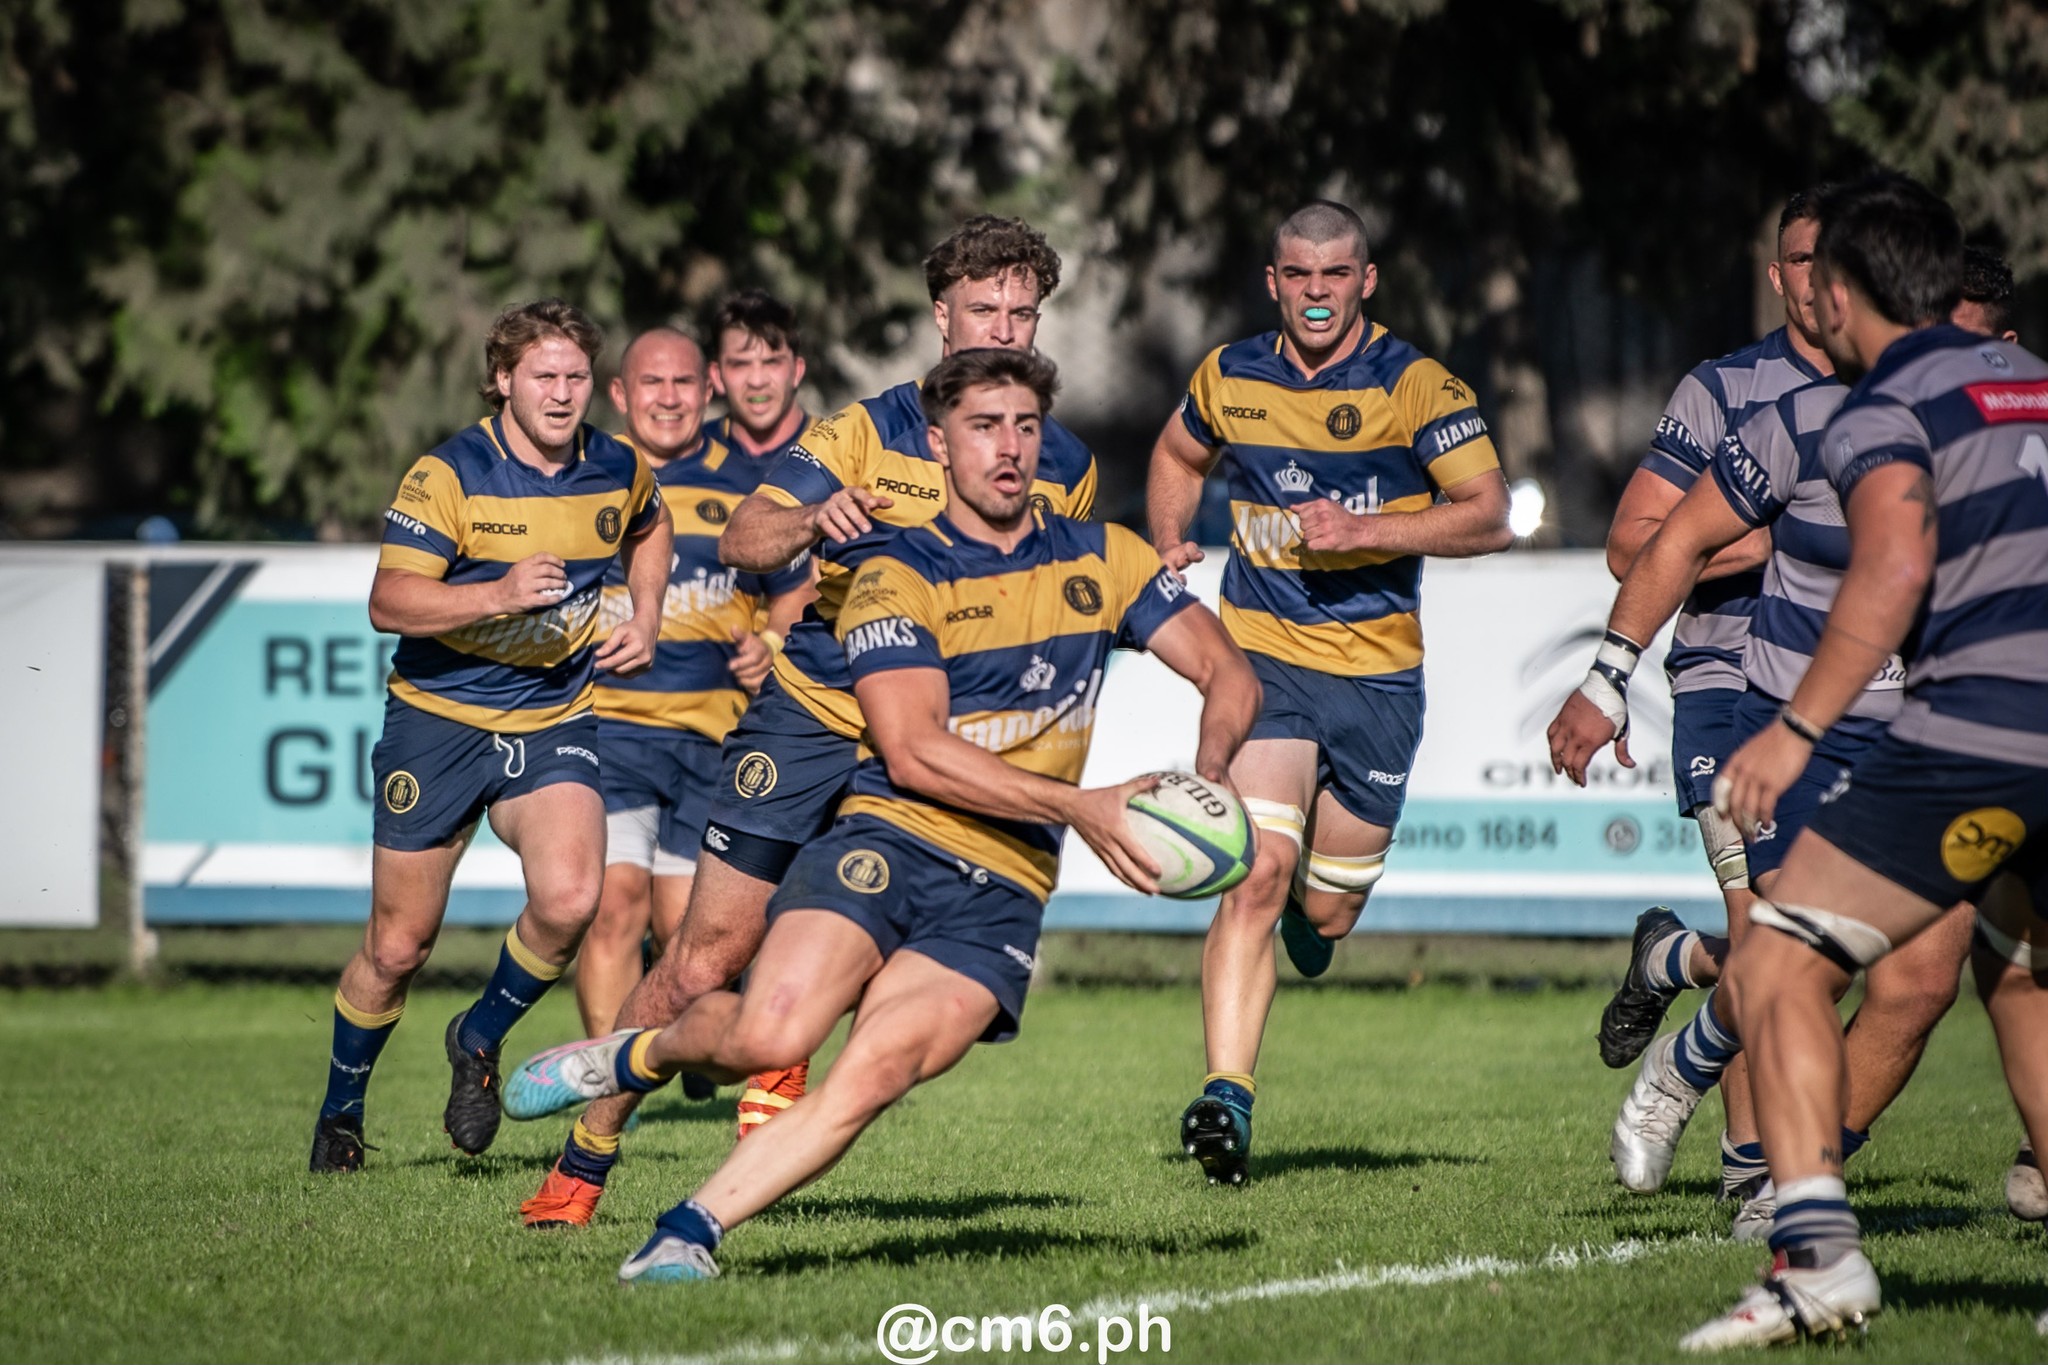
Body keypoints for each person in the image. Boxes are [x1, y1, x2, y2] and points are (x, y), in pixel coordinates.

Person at [504, 347, 1260, 1282]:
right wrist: (1087, 807)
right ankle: (634, 1054)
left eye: (1025, 426)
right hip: (892, 839)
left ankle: (688, 1232)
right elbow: (911, 750)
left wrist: (1212, 770)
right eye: (984, 427)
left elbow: (1227, 669)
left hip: (1005, 889)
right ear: (939, 447)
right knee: (769, 1036)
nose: (1009, 447)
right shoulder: (895, 572)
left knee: (872, 1073)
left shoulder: (1109, 556)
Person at [507, 215, 1098, 1227]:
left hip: (925, 740)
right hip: (815, 717)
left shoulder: (1058, 456)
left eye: (1019, 311)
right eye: (981, 308)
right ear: (939, 316)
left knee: (866, 956)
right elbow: (743, 535)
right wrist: (811, 521)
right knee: (699, 959)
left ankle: (773, 1089)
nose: (1001, 327)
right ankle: (586, 1153)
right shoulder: (866, 430)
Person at [1547, 257, 2022, 1234]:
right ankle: (1771, 1183)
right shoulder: (1800, 415)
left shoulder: (2013, 426)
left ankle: (1780, 1163)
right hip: (1778, 718)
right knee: (1797, 948)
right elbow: (1663, 542)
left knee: (1927, 977)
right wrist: (1605, 679)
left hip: (1945, 735)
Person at [1677, 173, 2048, 1349]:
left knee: (1780, 957)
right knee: (2023, 974)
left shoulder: (1881, 403)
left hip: (1980, 736)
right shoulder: (2035, 383)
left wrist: (1788, 732)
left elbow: (1885, 575)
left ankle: (1814, 1264)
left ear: (1835, 293)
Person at [1146, 200, 1510, 1184]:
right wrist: (1171, 533)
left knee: (1327, 910)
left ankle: (1315, 917)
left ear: (1365, 281)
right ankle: (1226, 1097)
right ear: (1273, 281)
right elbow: (1178, 453)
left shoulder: (1414, 385)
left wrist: (1366, 532)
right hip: (1263, 657)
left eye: (1334, 275)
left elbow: (1488, 516)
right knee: (1255, 876)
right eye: (1297, 276)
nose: (1315, 293)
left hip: (1378, 678)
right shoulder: (1230, 374)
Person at [307, 299, 671, 1173]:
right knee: (397, 947)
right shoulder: (450, 473)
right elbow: (388, 602)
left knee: (572, 898)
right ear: (503, 379)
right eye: (542, 375)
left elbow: (653, 524)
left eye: (576, 377)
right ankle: (341, 1114)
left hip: (552, 714)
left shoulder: (616, 468)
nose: (561, 392)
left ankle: (478, 1035)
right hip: (438, 722)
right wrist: (495, 594)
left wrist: (648, 611)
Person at [1583, 195, 1836, 1218]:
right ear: (1776, 276)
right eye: (1801, 261)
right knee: (1767, 931)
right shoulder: (1724, 389)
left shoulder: (1898, 390)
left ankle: (1673, 961)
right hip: (1729, 683)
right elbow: (1633, 543)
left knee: (1827, 943)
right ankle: (1749, 1179)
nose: (1820, 279)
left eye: (1839, 259)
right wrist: (1796, 527)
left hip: (1861, 692)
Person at [573, 328, 814, 1043]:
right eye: (652, 383)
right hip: (607, 727)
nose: (669, 399)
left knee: (687, 932)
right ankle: (605, 1074)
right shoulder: (585, 475)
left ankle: (681, 1041)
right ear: (619, 393)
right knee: (614, 902)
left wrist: (770, 643)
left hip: (714, 737)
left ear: (708, 389)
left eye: (683, 383)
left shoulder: (748, 483)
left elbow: (795, 589)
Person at [708, 289, 811, 460]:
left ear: (797, 371)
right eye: (740, 364)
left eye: (772, 363)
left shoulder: (842, 455)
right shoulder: (685, 457)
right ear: (717, 376)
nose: (757, 381)